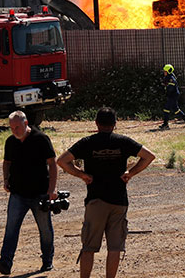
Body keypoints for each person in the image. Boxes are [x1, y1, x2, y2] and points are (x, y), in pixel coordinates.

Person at [57, 107, 156, 278]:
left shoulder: (87, 142)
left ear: (96, 123)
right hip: (119, 201)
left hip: (96, 201)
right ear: (115, 124)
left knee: (89, 247)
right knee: (115, 247)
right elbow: (149, 156)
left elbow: (62, 161)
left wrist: (81, 175)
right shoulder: (123, 141)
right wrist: (130, 173)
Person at [0, 111, 58, 275]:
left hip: (40, 194)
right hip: (18, 194)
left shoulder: (41, 139)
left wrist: (52, 189)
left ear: (26, 123)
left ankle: (47, 261)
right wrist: (6, 180)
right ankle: (5, 263)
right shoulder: (10, 142)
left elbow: (53, 164)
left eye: (18, 127)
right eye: (12, 128)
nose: (15, 130)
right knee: (11, 229)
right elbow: (6, 163)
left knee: (45, 230)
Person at [159, 64, 185, 130]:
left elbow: (171, 87)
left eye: (165, 71)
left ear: (168, 71)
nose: (164, 72)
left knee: (166, 109)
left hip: (173, 96)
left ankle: (165, 124)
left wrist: (166, 87)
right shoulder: (168, 77)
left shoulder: (171, 78)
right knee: (176, 110)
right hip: (172, 95)